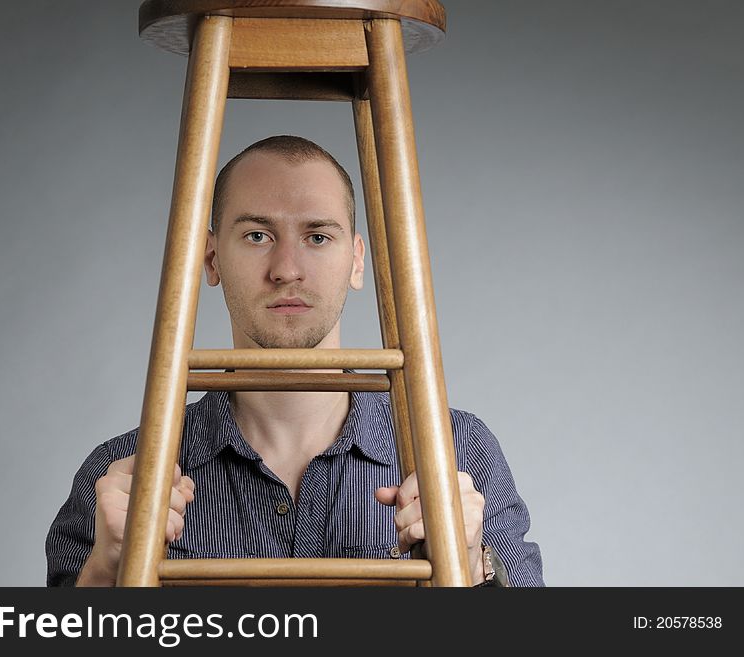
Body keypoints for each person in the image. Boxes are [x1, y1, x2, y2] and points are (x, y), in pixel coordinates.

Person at [46, 135, 544, 587]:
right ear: (213, 259)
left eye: (317, 237)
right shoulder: (119, 477)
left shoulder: (459, 450)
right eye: (258, 236)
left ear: (356, 261)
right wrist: (105, 572)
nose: (287, 270)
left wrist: (472, 566)